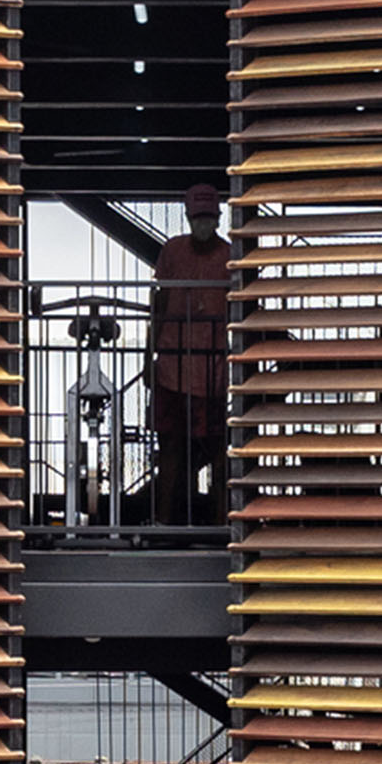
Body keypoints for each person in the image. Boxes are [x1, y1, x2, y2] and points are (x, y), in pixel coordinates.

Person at [148, 182, 232, 525]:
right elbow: (157, 304)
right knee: (170, 449)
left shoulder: (229, 257)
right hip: (175, 367)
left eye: (208, 217)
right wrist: (149, 356)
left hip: (213, 373)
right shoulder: (172, 252)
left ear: (217, 217)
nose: (203, 223)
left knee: (217, 454)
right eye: (198, 217)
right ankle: (164, 521)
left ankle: (221, 523)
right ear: (187, 217)